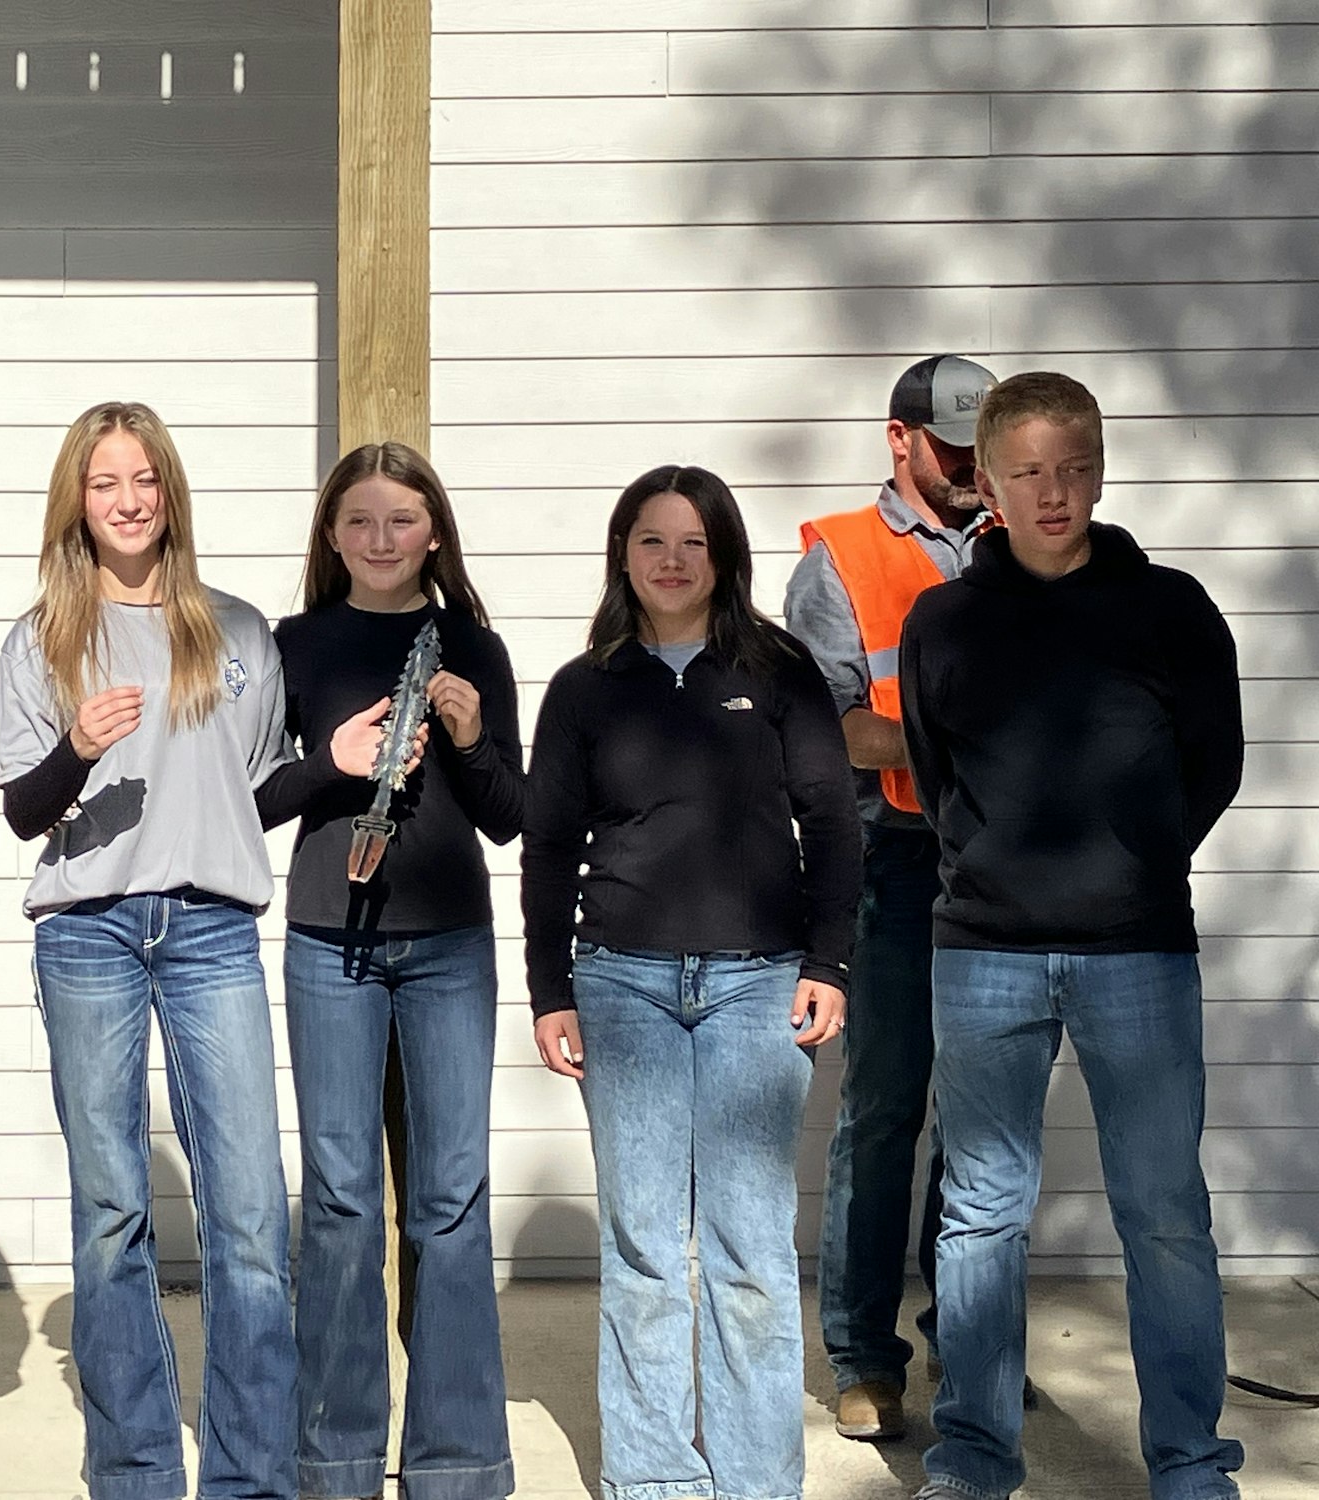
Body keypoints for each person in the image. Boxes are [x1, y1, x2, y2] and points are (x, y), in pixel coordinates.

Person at [900, 372, 1245, 1500]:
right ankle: (973, 1457)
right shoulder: (942, 621)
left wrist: (1135, 864)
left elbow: (1213, 765)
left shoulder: (1171, 609)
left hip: (1136, 949)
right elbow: (937, 773)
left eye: (1074, 468)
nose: (1055, 494)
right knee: (980, 1219)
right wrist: (992, 873)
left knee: (1163, 1216)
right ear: (987, 483)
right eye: (1029, 473)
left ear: (1100, 468)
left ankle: (1189, 1465)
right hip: (983, 953)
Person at [524, 464, 861, 1500]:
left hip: (755, 986)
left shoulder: (780, 669)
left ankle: (758, 1480)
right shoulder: (586, 687)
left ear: (722, 556)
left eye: (691, 543)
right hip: (620, 983)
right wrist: (549, 990)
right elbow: (546, 847)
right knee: (640, 1246)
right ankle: (654, 1478)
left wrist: (826, 962)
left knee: (749, 1248)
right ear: (621, 555)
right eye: (649, 542)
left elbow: (833, 820)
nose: (670, 562)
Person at [0, 400, 297, 1500]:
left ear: (169, 494)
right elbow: (26, 814)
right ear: (77, 500)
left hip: (212, 930)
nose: (126, 501)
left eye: (144, 481)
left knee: (250, 1209)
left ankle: (252, 1476)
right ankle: (131, 1473)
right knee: (112, 1208)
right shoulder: (41, 639)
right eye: (104, 482)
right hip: (89, 936)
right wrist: (77, 748)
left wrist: (343, 761)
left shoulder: (236, 630)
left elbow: (249, 792)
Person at [257, 442, 522, 1500]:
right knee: (338, 1199)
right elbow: (254, 799)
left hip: (449, 942)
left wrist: (463, 736)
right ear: (330, 536)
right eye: (358, 522)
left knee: (448, 1201)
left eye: (400, 521)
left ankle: (457, 1462)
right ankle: (334, 1457)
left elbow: (512, 819)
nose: (379, 540)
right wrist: (334, 761)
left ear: (434, 533)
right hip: (329, 940)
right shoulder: (292, 646)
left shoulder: (473, 647)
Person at [784, 353, 1000, 1440]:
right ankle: (864, 1358)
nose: (970, 465)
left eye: (981, 443)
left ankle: (971, 1354)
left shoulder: (1022, 541)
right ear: (898, 438)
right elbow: (825, 729)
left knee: (981, 1123)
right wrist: (972, 744)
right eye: (950, 443)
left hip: (1006, 865)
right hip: (894, 861)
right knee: (881, 1113)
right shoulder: (842, 558)